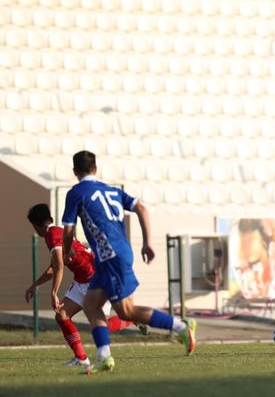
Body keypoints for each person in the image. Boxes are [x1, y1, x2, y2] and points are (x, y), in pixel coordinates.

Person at [61, 150, 196, 374]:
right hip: (113, 255)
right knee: (91, 305)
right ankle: (104, 356)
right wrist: (147, 242)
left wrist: (67, 252)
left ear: (75, 171)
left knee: (126, 311)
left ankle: (181, 326)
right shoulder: (112, 190)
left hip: (110, 256)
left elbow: (67, 228)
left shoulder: (76, 193)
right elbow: (141, 207)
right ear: (95, 169)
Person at [25, 203, 147, 367]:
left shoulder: (52, 236)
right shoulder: (55, 232)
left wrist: (54, 293)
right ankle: (81, 358)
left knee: (100, 327)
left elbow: (59, 266)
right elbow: (55, 265)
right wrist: (35, 285)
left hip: (97, 279)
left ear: (36, 226)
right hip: (82, 280)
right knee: (62, 315)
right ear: (50, 219)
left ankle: (131, 319)